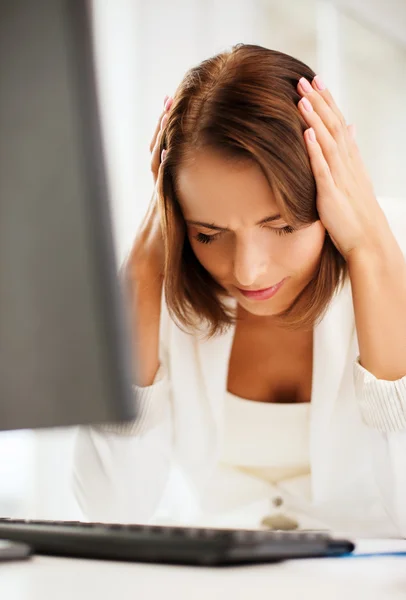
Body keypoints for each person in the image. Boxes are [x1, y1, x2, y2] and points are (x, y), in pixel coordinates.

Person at [73, 44, 406, 535]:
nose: (248, 272)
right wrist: (141, 276)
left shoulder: (391, 258)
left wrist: (374, 255)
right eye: (209, 233)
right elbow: (108, 511)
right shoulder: (159, 279)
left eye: (283, 227)